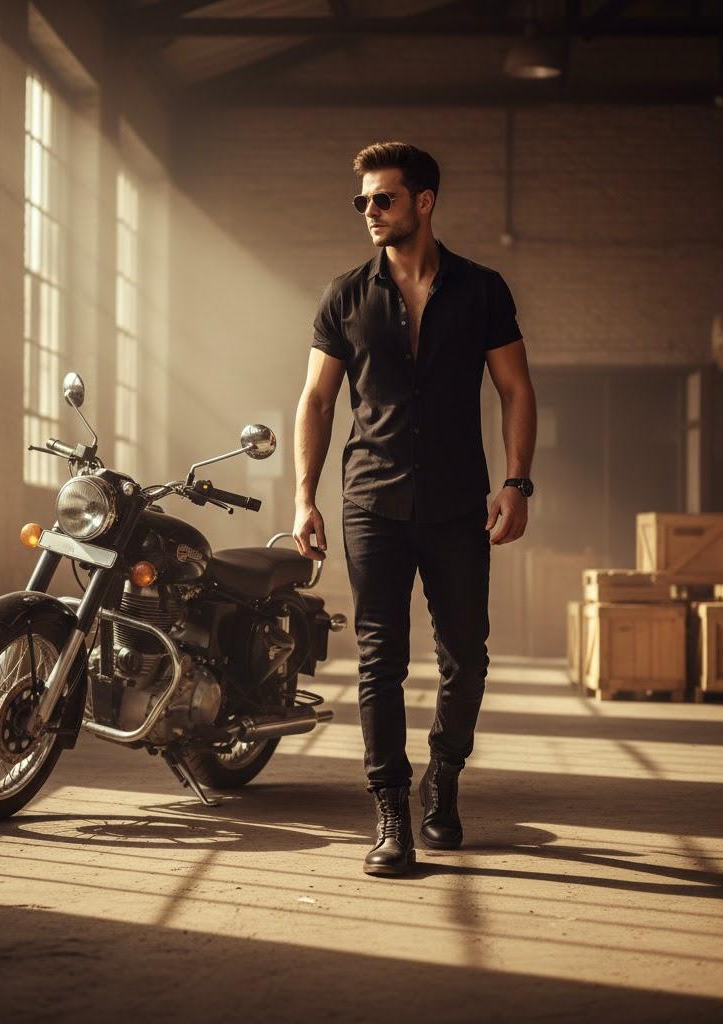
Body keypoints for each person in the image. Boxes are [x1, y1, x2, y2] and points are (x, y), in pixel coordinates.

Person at [291, 141, 537, 877]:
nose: (369, 211)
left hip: (459, 501)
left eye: (383, 198)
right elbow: (316, 400)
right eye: (362, 200)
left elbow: (515, 389)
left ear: (423, 202)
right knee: (380, 658)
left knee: (467, 655)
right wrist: (304, 497)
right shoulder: (345, 295)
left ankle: (444, 778)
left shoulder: (482, 290)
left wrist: (517, 483)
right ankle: (391, 810)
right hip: (372, 500)